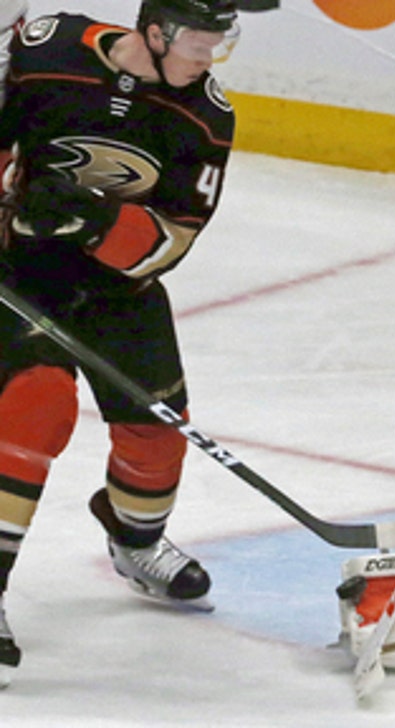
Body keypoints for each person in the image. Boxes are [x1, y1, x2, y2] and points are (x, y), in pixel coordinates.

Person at [0, 0, 239, 684]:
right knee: (34, 403)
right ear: (155, 31)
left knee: (157, 434)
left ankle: (136, 544)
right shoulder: (48, 48)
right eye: (199, 39)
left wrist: (93, 220)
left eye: (221, 42)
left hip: (113, 285)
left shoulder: (207, 115)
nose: (210, 56)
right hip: (15, 272)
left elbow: (175, 241)